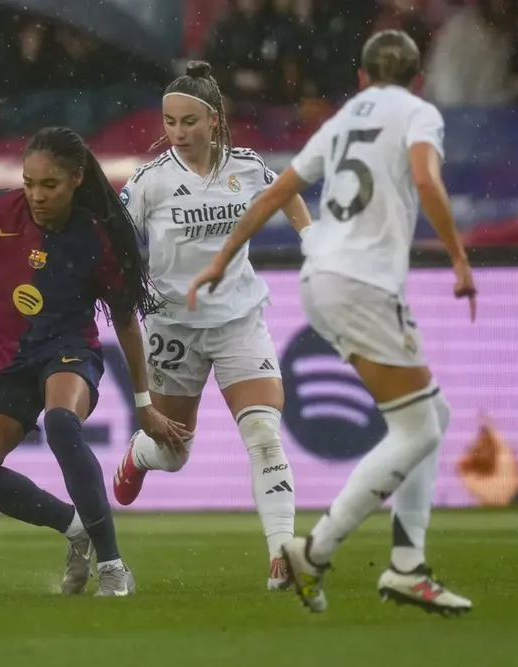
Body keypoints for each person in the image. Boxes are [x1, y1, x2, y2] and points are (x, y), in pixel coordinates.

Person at [187, 30, 475, 616]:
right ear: (417, 79)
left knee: (430, 418)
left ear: (364, 77)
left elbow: (275, 193)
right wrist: (459, 257)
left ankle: (406, 565)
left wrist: (220, 258)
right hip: (363, 283)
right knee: (417, 431)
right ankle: (316, 553)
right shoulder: (419, 113)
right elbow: (425, 178)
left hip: (321, 277)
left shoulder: (342, 122)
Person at [0, 126, 189, 597]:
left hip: (70, 353)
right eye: (29, 183)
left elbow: (126, 323)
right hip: (7, 363)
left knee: (62, 423)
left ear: (77, 180)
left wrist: (144, 403)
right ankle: (76, 529)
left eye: (50, 185)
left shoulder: (97, 237)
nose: (37, 196)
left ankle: (112, 566)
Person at [111, 60, 312, 591]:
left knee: (265, 435)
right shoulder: (149, 182)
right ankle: (139, 454)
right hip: (173, 329)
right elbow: (113, 238)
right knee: (174, 453)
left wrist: (310, 238)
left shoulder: (245, 166)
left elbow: (285, 190)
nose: (177, 133)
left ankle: (282, 555)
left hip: (239, 320)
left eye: (188, 122)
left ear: (215, 121)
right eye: (169, 122)